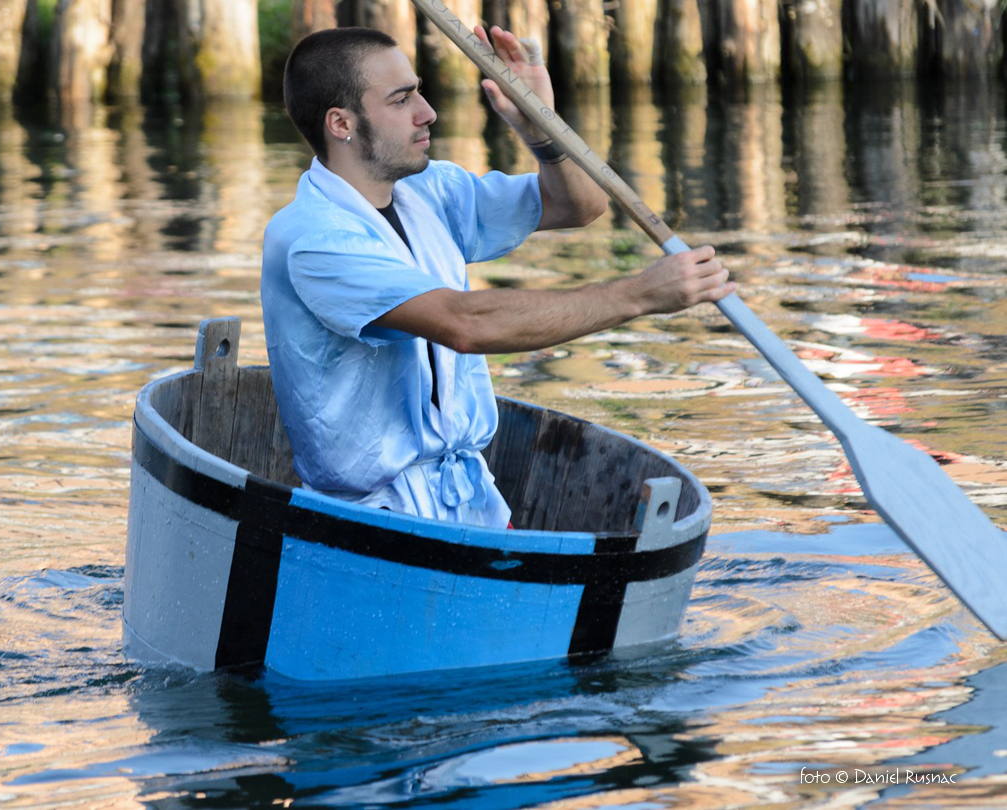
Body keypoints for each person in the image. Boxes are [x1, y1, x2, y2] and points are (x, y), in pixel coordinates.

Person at [261, 25, 734, 529]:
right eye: (401, 99)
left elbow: (580, 205)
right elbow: (466, 324)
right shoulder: (312, 238)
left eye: (419, 91)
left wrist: (540, 125)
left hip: (472, 500)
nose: (428, 112)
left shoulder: (429, 189)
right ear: (341, 123)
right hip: (369, 520)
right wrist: (639, 295)